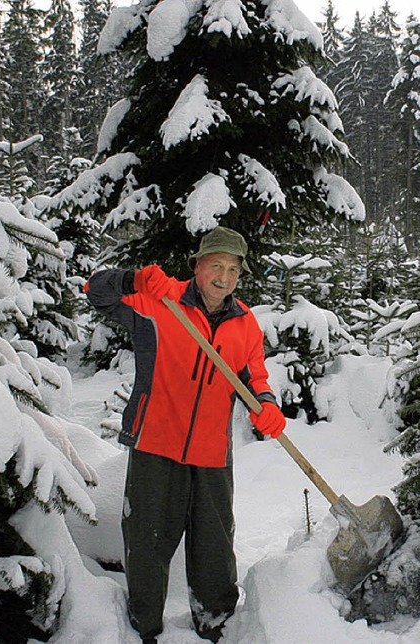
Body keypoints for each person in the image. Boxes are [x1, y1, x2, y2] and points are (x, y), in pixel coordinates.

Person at [85, 226, 286, 643]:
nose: (224, 277)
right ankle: (144, 627)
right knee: (147, 542)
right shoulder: (159, 302)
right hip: (155, 442)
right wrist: (131, 279)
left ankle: (217, 626)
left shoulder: (246, 324)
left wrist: (266, 405)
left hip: (212, 450)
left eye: (233, 269)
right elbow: (94, 292)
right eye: (216, 265)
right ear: (197, 265)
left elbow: (255, 378)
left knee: (214, 545)